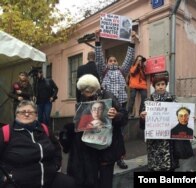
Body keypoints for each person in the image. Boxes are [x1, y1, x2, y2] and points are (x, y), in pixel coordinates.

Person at [59, 74, 128, 188]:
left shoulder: (108, 96)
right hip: (90, 146)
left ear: (91, 89)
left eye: (84, 91)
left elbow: (124, 117)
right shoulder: (84, 98)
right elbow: (82, 120)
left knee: (106, 180)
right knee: (92, 180)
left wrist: (116, 115)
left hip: (107, 147)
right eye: (81, 91)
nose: (82, 93)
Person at [0, 100, 75, 188]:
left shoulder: (44, 129)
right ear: (16, 114)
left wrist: (55, 165)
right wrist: (4, 177)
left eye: (30, 112)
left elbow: (56, 149)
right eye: (22, 112)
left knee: (69, 182)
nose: (27, 114)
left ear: (36, 115)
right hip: (17, 183)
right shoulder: (6, 132)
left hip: (49, 178)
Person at [95, 29, 137, 169]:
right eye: (110, 60)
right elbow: (99, 58)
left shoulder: (122, 71)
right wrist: (97, 40)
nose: (113, 62)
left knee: (119, 133)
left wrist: (131, 41)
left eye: (115, 60)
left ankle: (120, 158)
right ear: (107, 62)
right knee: (106, 131)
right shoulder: (103, 70)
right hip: (106, 106)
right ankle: (105, 158)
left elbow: (129, 59)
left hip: (120, 106)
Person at [139, 71, 180, 171]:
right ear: (154, 86)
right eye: (158, 84)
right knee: (156, 168)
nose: (160, 87)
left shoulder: (173, 99)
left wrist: (188, 118)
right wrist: (142, 117)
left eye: (163, 84)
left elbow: (180, 115)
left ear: (166, 85)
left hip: (170, 141)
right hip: (155, 142)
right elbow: (143, 125)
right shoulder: (149, 101)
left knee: (170, 168)